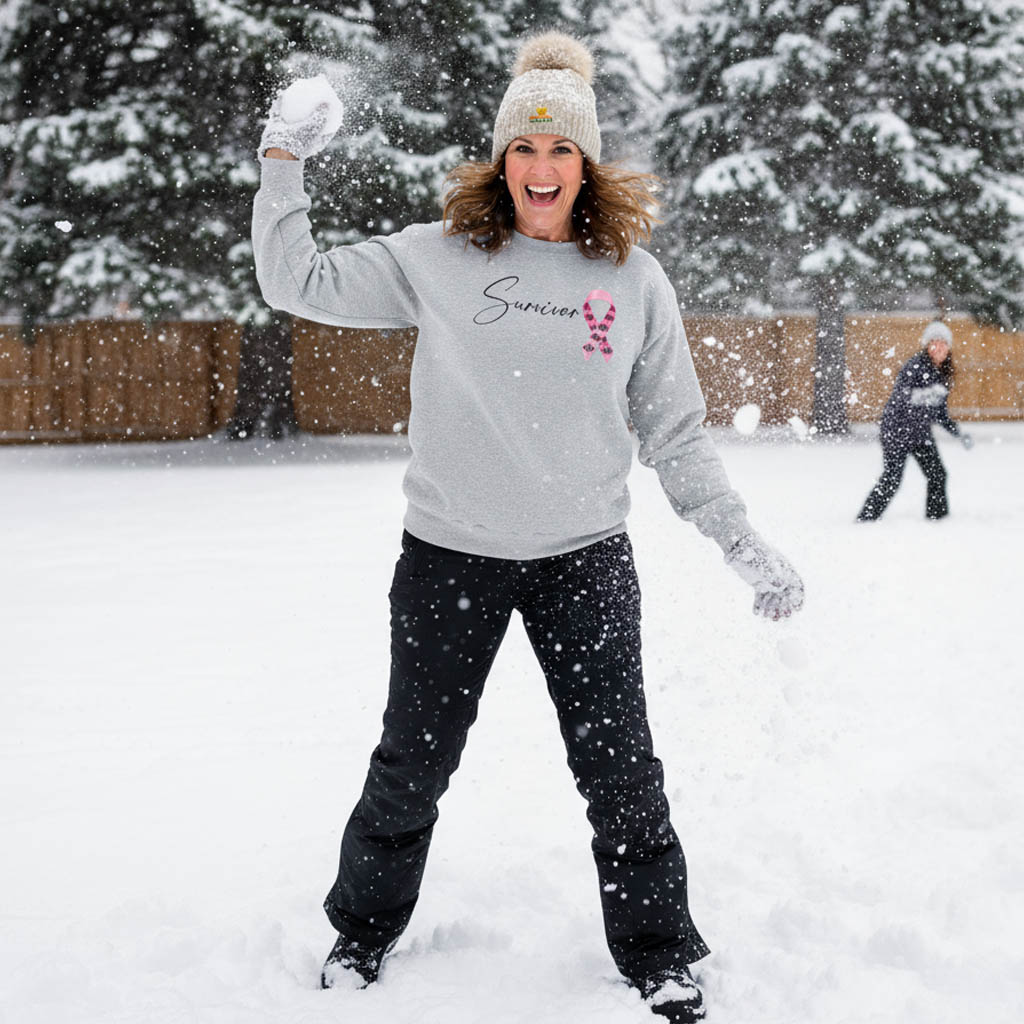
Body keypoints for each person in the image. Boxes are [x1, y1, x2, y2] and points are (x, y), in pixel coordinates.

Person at [252, 33, 804, 1024]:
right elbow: (297, 281)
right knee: (412, 762)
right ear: (500, 161)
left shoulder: (632, 281)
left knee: (621, 769)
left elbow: (676, 435)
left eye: (559, 150)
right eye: (523, 148)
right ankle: (361, 932)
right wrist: (283, 156)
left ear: (585, 165)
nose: (540, 168)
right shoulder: (436, 257)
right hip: (448, 559)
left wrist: (738, 539)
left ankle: (659, 954)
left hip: (582, 563)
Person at [857, 320, 973, 522]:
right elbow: (902, 398)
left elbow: (939, 413)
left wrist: (958, 433)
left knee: (938, 475)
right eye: (934, 342)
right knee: (892, 480)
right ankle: (866, 519)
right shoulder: (914, 366)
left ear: (949, 347)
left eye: (943, 343)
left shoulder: (943, 374)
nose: (939, 347)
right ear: (927, 345)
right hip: (896, 432)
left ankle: (937, 519)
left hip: (920, 435)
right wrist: (926, 395)